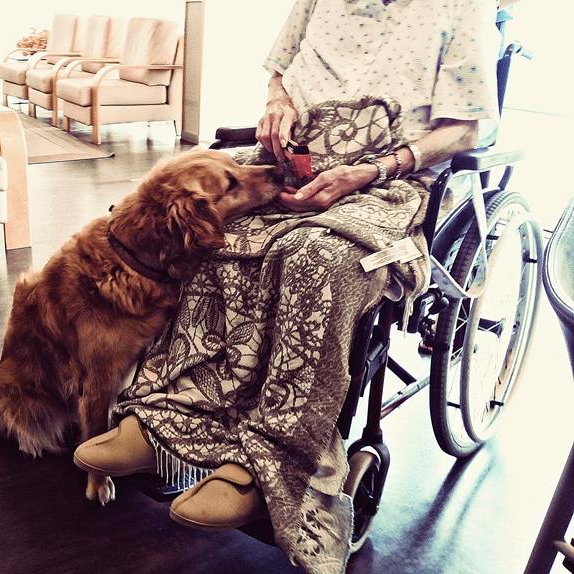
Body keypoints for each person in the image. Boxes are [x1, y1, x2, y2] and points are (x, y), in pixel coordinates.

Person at [74, 1, 502, 572]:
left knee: (314, 260)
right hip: (287, 165)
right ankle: (167, 416)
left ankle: (273, 461)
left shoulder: (458, 7)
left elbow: (473, 124)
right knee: (209, 241)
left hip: (383, 186)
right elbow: (280, 68)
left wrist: (375, 168)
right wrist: (278, 104)